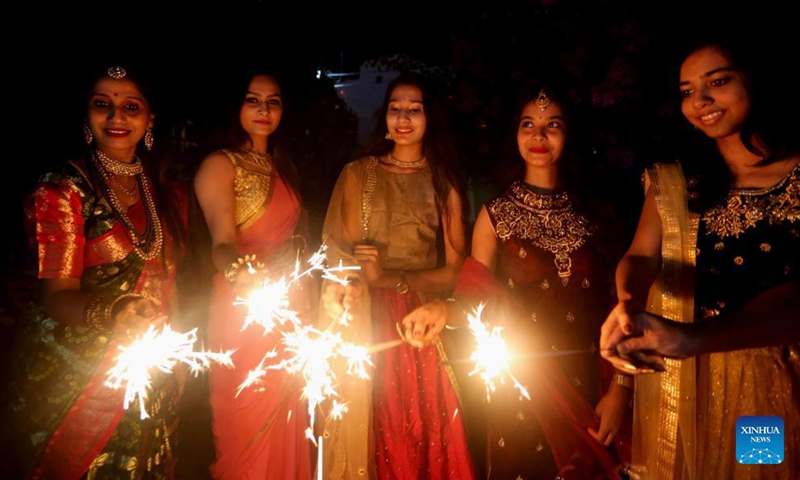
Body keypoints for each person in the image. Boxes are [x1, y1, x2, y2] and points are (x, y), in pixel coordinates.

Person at [403, 85, 628, 479]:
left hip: (593, 383)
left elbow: (623, 304)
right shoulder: (496, 216)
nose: (538, 136)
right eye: (528, 125)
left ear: (569, 134)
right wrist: (442, 309)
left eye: (552, 125)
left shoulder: (597, 212)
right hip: (522, 388)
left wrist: (621, 389)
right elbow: (477, 295)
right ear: (514, 134)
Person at [599, 38, 800, 480]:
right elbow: (640, 255)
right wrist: (628, 303)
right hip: (688, 380)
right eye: (687, 91)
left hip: (772, 382)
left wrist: (696, 339)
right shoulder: (676, 181)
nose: (700, 101)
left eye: (718, 82)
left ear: (757, 80)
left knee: (757, 469)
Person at [2, 65, 188, 479]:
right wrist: (113, 312)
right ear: (86, 116)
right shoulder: (62, 188)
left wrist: (174, 361)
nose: (116, 117)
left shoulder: (165, 192)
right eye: (102, 104)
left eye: (131, 106)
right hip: (74, 379)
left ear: (150, 119)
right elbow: (56, 294)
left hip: (147, 366)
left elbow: (166, 282)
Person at [319, 72, 476, 479]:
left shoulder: (443, 183)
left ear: (430, 118)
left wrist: (390, 277)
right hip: (362, 316)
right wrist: (356, 276)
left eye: (415, 109)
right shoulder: (357, 175)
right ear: (384, 117)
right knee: (369, 426)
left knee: (419, 430)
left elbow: (456, 270)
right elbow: (335, 255)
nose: (403, 117)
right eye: (395, 108)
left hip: (420, 320)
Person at [194, 71, 312, 480]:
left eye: (273, 101)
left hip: (287, 307)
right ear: (236, 106)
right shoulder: (220, 165)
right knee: (245, 430)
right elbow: (222, 243)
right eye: (252, 99)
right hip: (243, 308)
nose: (264, 109)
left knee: (290, 420)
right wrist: (238, 271)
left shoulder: (282, 166)